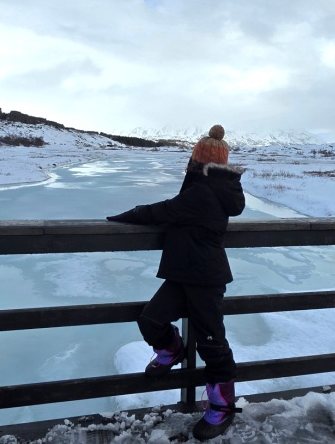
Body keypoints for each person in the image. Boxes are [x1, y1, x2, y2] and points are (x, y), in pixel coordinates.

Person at [106, 124, 245, 440]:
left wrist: (127, 214)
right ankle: (172, 350)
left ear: (199, 161)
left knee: (213, 345)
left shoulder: (203, 191)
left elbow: (164, 212)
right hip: (185, 273)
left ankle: (222, 407)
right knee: (151, 319)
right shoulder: (210, 187)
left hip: (205, 279)